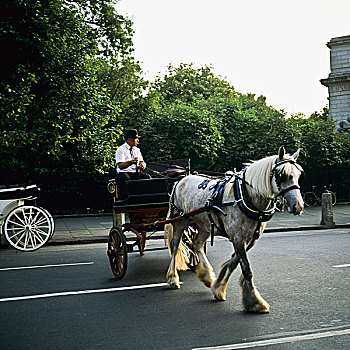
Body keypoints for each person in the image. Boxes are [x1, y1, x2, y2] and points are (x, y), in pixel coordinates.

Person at [115, 129, 150, 199]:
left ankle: (147, 198)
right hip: (125, 173)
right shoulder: (120, 149)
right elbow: (120, 166)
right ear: (130, 139)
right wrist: (131, 162)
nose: (138, 140)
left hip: (135, 173)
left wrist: (142, 166)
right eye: (136, 138)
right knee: (124, 178)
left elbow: (142, 162)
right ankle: (124, 200)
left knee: (147, 177)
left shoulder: (137, 150)